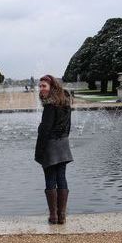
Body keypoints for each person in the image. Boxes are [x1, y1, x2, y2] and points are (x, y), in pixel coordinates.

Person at [34, 74, 74, 224]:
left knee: (51, 179)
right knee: (61, 177)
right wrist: (63, 138)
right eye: (40, 86)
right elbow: (68, 125)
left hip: (51, 145)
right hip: (63, 144)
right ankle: (61, 216)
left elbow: (45, 129)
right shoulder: (64, 102)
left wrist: (40, 150)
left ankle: (54, 216)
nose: (41, 89)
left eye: (44, 86)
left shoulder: (50, 105)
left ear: (52, 87)